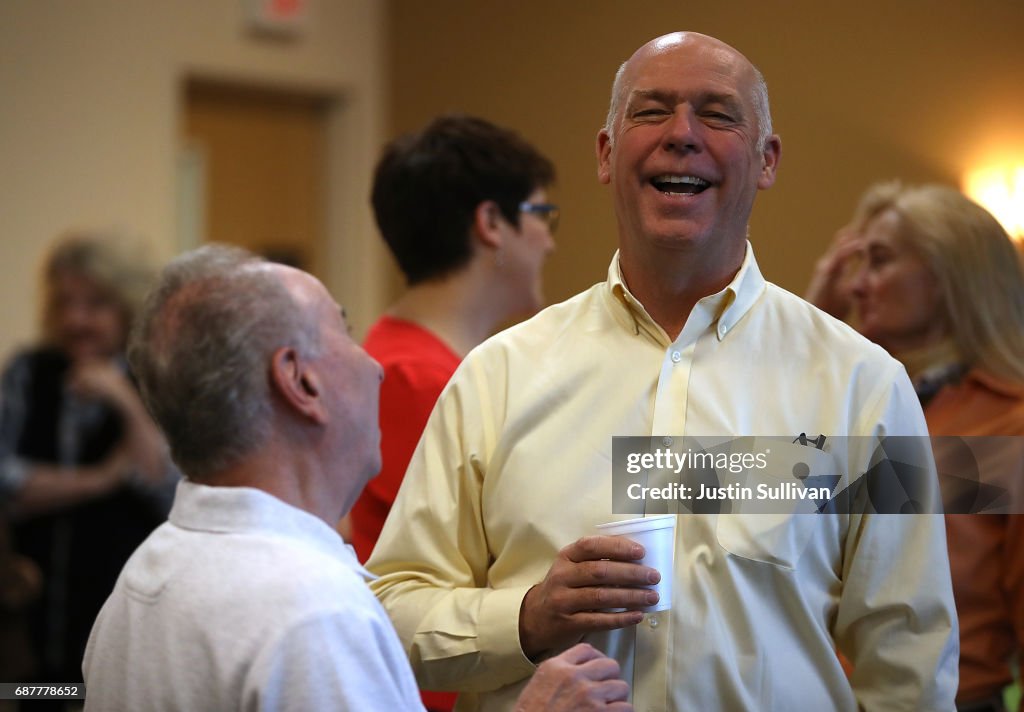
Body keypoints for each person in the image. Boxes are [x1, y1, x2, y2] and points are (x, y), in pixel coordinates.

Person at [367, 31, 958, 711]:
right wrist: (526, 619)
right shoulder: (496, 377)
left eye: (717, 113)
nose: (681, 134)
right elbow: (389, 611)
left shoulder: (868, 386)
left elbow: (909, 656)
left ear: (767, 161)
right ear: (605, 153)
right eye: (651, 111)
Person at [82, 244, 633, 711]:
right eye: (345, 332)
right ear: (301, 382)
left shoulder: (140, 579)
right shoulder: (313, 615)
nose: (373, 364)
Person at [808, 182, 1024, 712]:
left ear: (951, 275)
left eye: (878, 262)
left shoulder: (1010, 425)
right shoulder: (848, 404)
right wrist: (813, 322)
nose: (856, 287)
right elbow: (720, 489)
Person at [349, 114, 557, 565]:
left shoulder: (417, 363)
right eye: (542, 215)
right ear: (491, 223)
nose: (549, 242)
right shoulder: (415, 381)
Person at [0, 231, 174, 699]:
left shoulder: (155, 378)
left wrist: (126, 403)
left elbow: (172, 491)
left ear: (126, 308)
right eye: (64, 303)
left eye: (94, 304)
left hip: (129, 625)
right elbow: (8, 485)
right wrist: (102, 479)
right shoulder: (28, 372)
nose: (76, 319)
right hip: (34, 626)